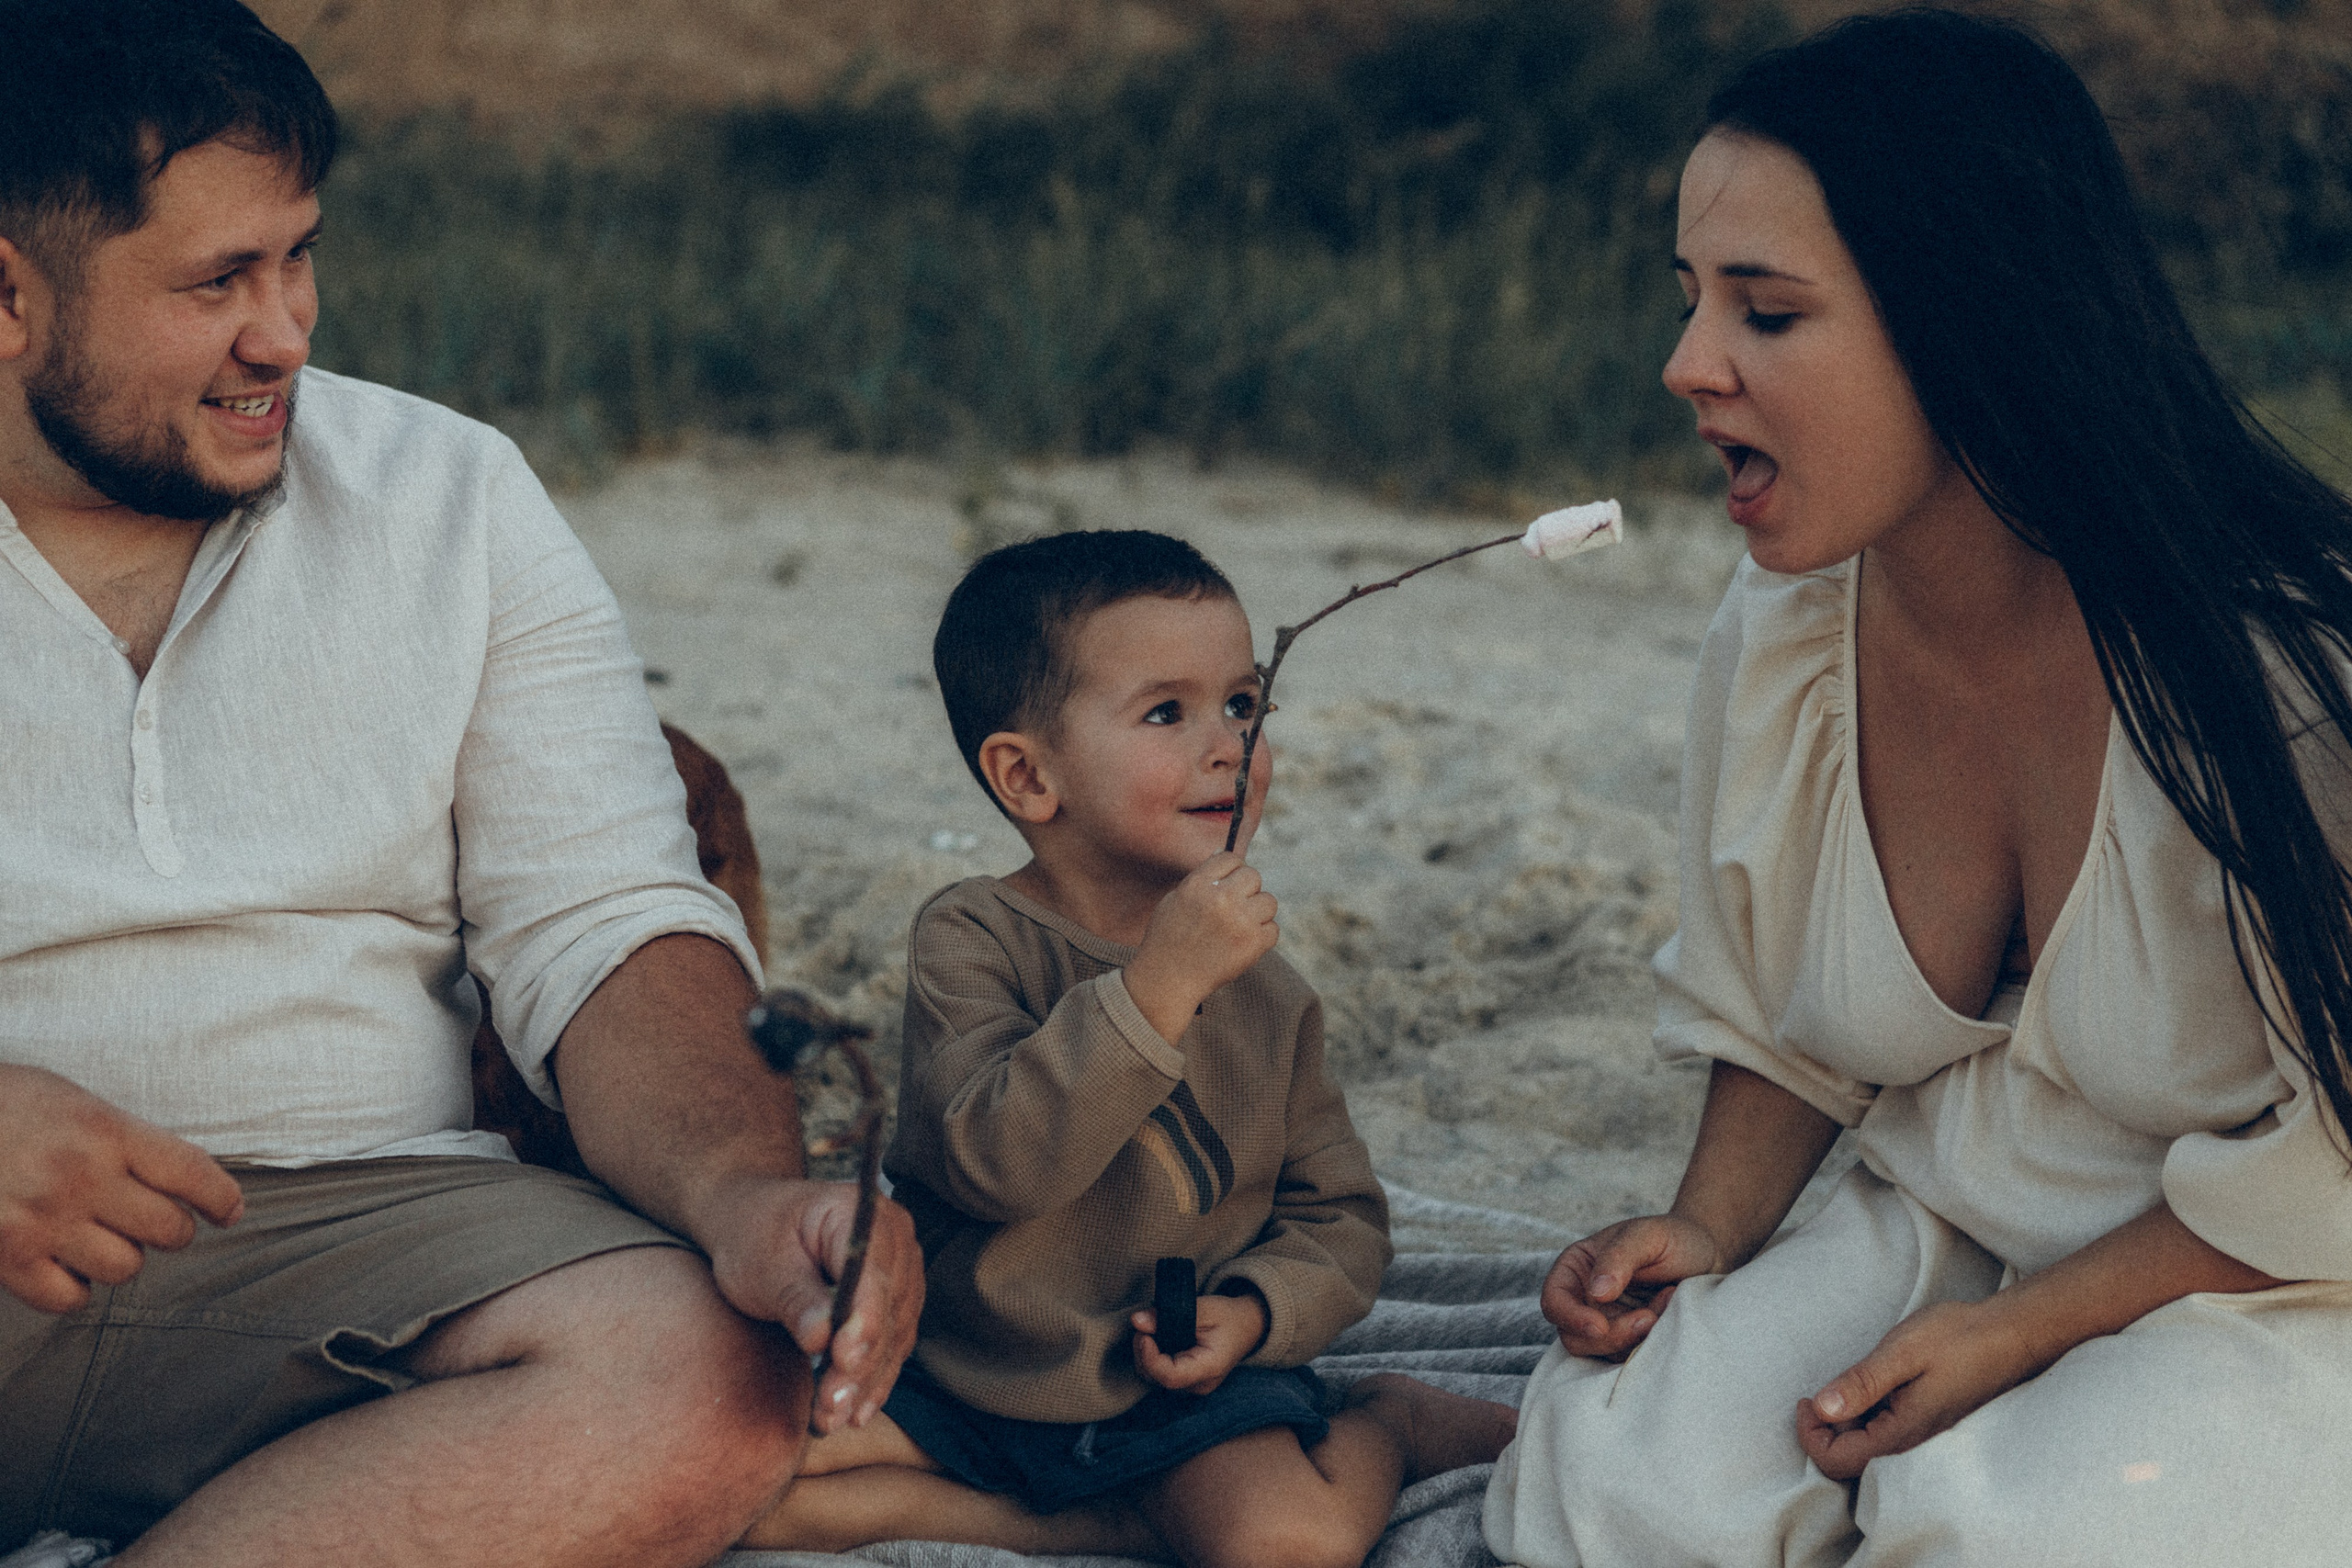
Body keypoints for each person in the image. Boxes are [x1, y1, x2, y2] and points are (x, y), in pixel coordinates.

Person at [0, 3, 918, 1562]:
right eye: (217, 281)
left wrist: (746, 1198)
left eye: (298, 256)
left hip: (368, 1250)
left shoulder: (448, 494)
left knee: (710, 1368)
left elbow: (610, 925)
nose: (284, 332)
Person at [1481, 10, 2352, 1566]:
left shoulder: (2284, 668)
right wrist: (1709, 1224)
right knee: (1614, 1477)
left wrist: (2021, 1338)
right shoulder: (1789, 629)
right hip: (1949, 1208)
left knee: (2032, 1541)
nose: (1689, 365)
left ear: (1971, 315)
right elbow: (1776, 1012)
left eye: (1767, 311)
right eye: (1692, 301)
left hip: (2269, 1267)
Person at [745, 531, 1517, 1564]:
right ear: (1028, 776)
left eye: (1242, 704)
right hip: (974, 1369)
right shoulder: (971, 938)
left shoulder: (1270, 993)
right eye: (1167, 713)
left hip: (1178, 1391)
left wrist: (1252, 1314)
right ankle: (1103, 1524)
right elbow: (997, 1162)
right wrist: (1157, 988)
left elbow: (1339, 1217)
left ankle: (1389, 1420)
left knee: (1287, 1544)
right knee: (736, 1481)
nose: (1228, 745)